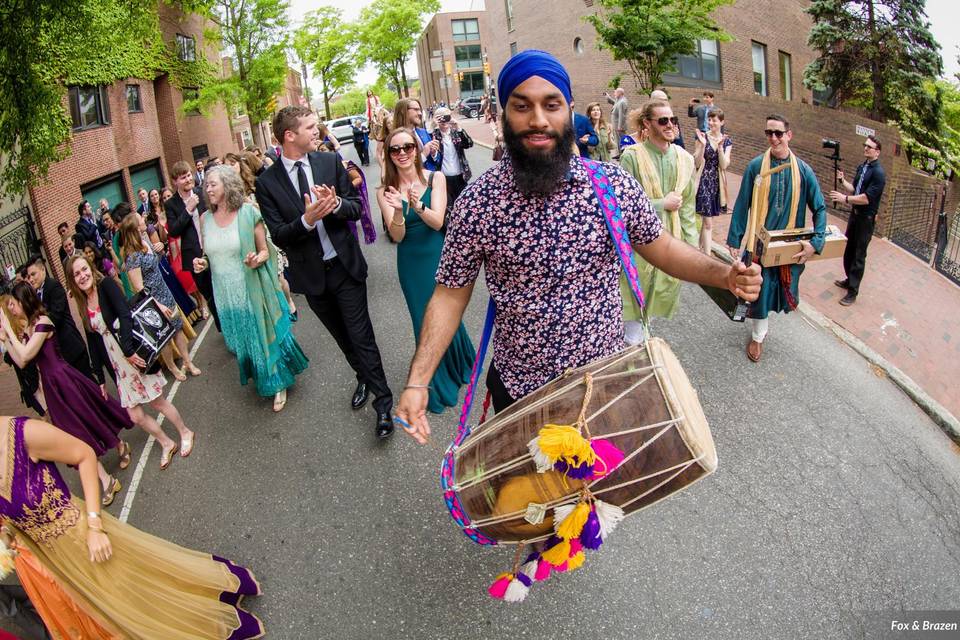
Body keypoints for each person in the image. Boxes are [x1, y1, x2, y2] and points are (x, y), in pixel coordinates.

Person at [394, 49, 761, 443]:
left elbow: (664, 248)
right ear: (504, 114)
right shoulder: (478, 202)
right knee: (532, 499)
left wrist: (725, 276)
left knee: (597, 496)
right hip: (521, 393)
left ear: (568, 110)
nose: (538, 119)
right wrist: (418, 382)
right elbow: (449, 296)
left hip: (601, 385)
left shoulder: (611, 185)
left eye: (551, 105)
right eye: (522, 106)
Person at [0, 415, 263, 637]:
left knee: (133, 589)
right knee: (111, 609)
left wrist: (94, 526)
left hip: (85, 535)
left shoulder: (24, 434)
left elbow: (84, 455)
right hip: (57, 562)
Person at [255, 105, 395, 438]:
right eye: (310, 127)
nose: (317, 131)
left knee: (362, 337)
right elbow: (279, 234)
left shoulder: (329, 162)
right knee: (343, 339)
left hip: (345, 268)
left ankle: (383, 405)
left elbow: (356, 207)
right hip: (312, 278)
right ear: (290, 136)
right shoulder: (267, 183)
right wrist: (307, 219)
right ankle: (362, 376)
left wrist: (334, 206)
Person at [0, 282, 131, 506]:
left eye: (15, 304)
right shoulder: (29, 329)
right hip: (53, 388)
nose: (12, 310)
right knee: (74, 433)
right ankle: (107, 479)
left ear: (25, 301)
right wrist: (6, 339)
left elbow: (28, 352)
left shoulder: (43, 322)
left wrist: (10, 332)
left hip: (64, 379)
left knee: (89, 417)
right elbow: (21, 361)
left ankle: (118, 447)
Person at [66, 256, 196, 470]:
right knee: (135, 415)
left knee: (157, 402)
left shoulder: (105, 286)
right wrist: (99, 377)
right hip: (119, 367)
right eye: (76, 274)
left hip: (134, 354)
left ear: (91, 268)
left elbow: (126, 315)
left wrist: (127, 351)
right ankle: (166, 442)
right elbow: (94, 342)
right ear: (73, 281)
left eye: (84, 270)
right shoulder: (83, 305)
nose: (82, 276)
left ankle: (185, 432)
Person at [194, 167, 308, 411]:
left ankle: (278, 383)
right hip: (225, 294)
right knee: (244, 339)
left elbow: (266, 250)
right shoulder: (204, 219)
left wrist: (258, 259)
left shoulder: (248, 213)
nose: (208, 188)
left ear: (228, 184)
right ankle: (262, 374)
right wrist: (202, 263)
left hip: (251, 288)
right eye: (206, 185)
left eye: (213, 183)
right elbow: (210, 253)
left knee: (261, 335)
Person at [376, 128, 474, 413]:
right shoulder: (385, 191)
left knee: (446, 310)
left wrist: (417, 205)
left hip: (436, 255)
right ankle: (436, 379)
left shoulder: (436, 178)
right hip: (410, 262)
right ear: (390, 156)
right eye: (396, 150)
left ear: (417, 149)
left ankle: (458, 360)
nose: (403, 153)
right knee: (423, 318)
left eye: (408, 147)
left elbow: (437, 221)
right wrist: (397, 211)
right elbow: (397, 236)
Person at [726, 114, 828, 363]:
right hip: (758, 246)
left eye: (778, 133)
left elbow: (820, 208)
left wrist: (815, 243)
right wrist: (734, 238)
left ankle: (760, 333)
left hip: (786, 249)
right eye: (769, 133)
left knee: (775, 291)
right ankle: (758, 337)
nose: (773, 138)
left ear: (789, 135)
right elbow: (742, 204)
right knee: (757, 293)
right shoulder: (755, 167)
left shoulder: (803, 171)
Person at [619, 99, 698, 335]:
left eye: (672, 120)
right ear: (647, 123)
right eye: (663, 120)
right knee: (633, 305)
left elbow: (687, 209)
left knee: (655, 302)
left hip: (669, 245)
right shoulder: (632, 157)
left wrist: (692, 252)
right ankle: (633, 354)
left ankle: (640, 342)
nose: (670, 125)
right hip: (638, 248)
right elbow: (621, 208)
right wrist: (661, 204)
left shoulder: (685, 159)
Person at [118, 213, 202, 381]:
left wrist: (160, 250)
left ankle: (188, 362)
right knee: (164, 336)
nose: (143, 219)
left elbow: (157, 261)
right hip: (153, 302)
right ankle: (172, 367)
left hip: (166, 294)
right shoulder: (133, 256)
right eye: (139, 219)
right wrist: (158, 306)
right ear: (135, 227)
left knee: (177, 328)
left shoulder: (145, 241)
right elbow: (139, 288)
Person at [828, 134, 886, 306]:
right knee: (849, 250)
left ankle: (853, 292)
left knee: (859, 255)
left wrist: (844, 199)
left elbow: (866, 198)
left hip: (866, 220)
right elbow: (855, 189)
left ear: (878, 152)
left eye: (870, 147)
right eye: (865, 145)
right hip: (855, 216)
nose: (866, 148)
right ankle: (848, 279)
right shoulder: (863, 167)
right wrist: (842, 180)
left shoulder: (878, 173)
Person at [166, 160, 221, 332]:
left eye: (189, 175)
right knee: (210, 296)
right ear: (175, 181)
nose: (188, 179)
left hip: (215, 249)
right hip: (195, 257)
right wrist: (188, 210)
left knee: (224, 289)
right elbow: (174, 231)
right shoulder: (171, 204)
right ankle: (224, 329)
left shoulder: (202, 192)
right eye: (183, 178)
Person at [23, 255, 96, 382]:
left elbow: (56, 316)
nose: (31, 279)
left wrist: (38, 329)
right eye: (29, 276)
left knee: (89, 383)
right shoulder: (37, 293)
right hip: (61, 352)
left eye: (33, 274)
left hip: (72, 347)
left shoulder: (53, 286)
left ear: (43, 270)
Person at [693, 108, 732, 254]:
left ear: (722, 122)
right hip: (703, 181)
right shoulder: (702, 136)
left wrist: (721, 147)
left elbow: (724, 165)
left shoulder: (727, 141)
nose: (711, 123)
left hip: (717, 185)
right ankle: (707, 257)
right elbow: (696, 162)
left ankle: (698, 248)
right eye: (709, 119)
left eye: (714, 120)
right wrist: (702, 145)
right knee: (708, 222)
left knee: (706, 221)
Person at [429, 106, 474, 209]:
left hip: (460, 176)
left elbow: (469, 144)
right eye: (440, 117)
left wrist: (458, 127)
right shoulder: (434, 135)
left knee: (464, 206)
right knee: (448, 208)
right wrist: (433, 126)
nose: (443, 120)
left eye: (446, 116)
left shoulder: (456, 133)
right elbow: (430, 153)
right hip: (443, 179)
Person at [391, 98, 439, 171]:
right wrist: (423, 154)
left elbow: (437, 161)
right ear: (403, 111)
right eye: (416, 110)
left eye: (420, 110)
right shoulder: (394, 139)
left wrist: (434, 154)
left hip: (430, 178)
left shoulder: (423, 132)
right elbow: (398, 168)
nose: (420, 113)